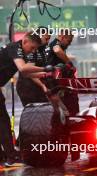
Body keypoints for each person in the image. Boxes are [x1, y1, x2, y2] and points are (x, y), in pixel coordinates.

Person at [0, 31, 54, 167]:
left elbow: (28, 72)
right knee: (3, 121)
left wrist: (46, 73)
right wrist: (44, 68)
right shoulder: (15, 48)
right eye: (32, 48)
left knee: (3, 122)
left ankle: (9, 155)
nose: (33, 51)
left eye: (35, 49)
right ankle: (10, 155)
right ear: (25, 41)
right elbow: (23, 69)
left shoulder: (22, 52)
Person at [46, 29, 79, 116]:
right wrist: (69, 63)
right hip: (52, 84)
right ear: (62, 37)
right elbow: (57, 50)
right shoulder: (55, 44)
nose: (70, 43)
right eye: (69, 41)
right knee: (66, 111)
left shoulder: (57, 47)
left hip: (54, 84)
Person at [17, 26, 51, 106]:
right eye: (46, 39)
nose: (48, 42)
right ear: (39, 36)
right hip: (27, 87)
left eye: (49, 39)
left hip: (36, 87)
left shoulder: (41, 50)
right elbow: (29, 71)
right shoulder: (32, 49)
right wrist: (43, 85)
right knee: (34, 113)